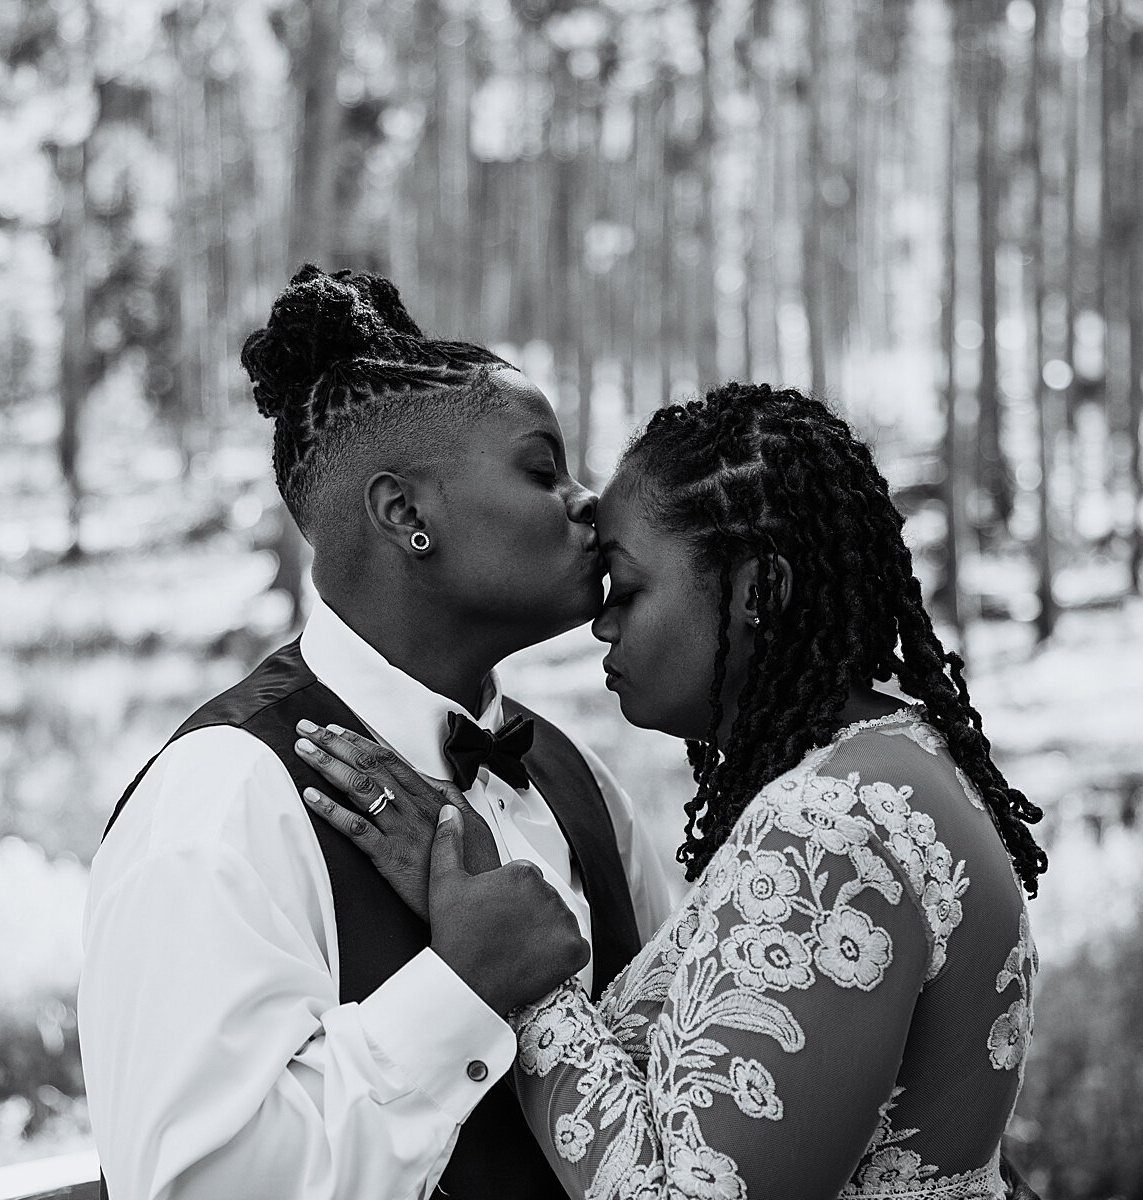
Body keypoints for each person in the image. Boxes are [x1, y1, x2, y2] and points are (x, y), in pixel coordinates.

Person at [299, 382, 1050, 1200]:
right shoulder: (895, 757)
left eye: (627, 589)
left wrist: (526, 982)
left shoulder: (829, 828)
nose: (601, 624)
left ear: (757, 590)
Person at [78, 265, 683, 1200]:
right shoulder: (221, 801)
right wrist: (464, 987)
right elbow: (202, 1184)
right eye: (541, 469)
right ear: (406, 514)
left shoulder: (580, 783)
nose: (588, 501)